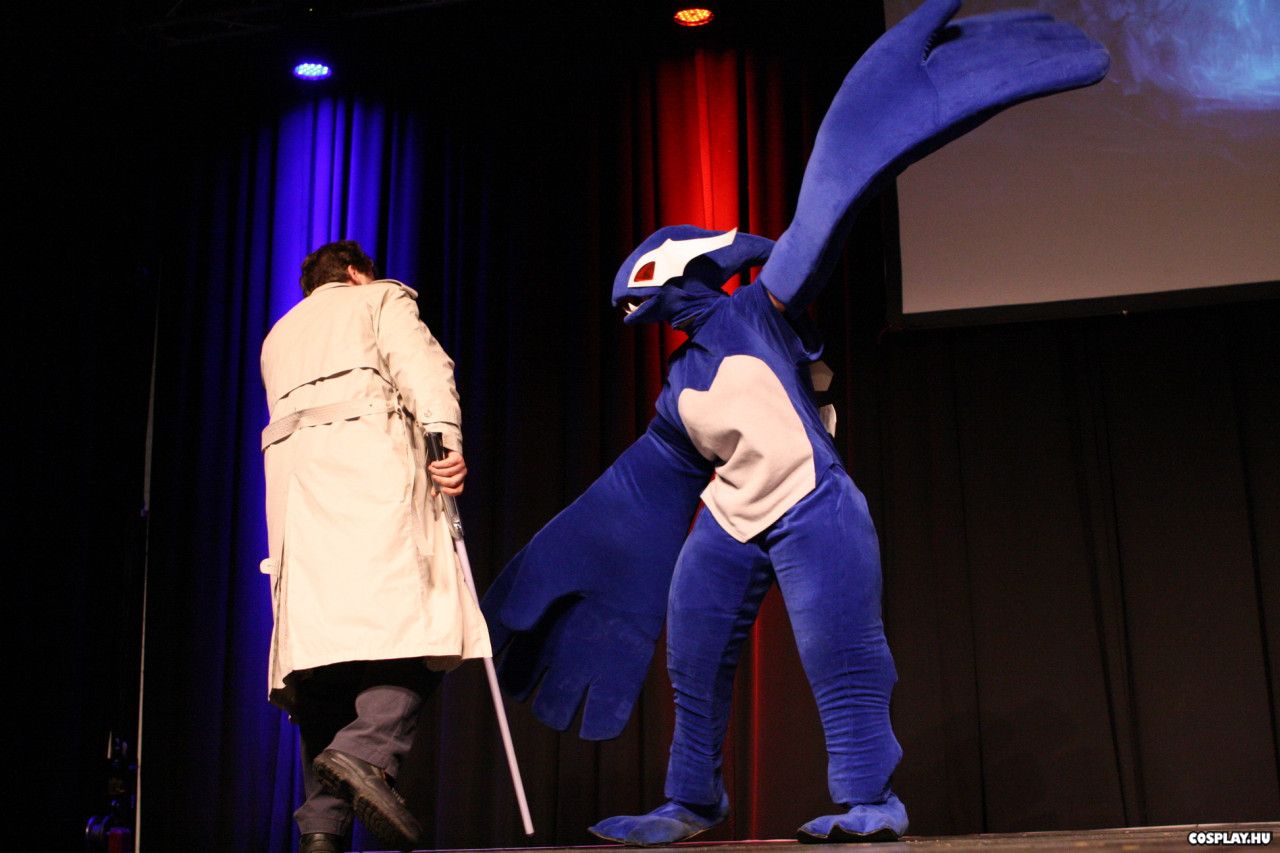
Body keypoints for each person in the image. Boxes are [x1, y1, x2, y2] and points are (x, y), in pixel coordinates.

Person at [259, 240, 490, 852]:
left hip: (297, 506)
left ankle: (321, 830)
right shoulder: (379, 298)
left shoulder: (278, 336)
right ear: (357, 273)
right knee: (424, 631)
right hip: (371, 482)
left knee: (325, 663)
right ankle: (364, 752)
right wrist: (444, 444)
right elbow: (423, 369)